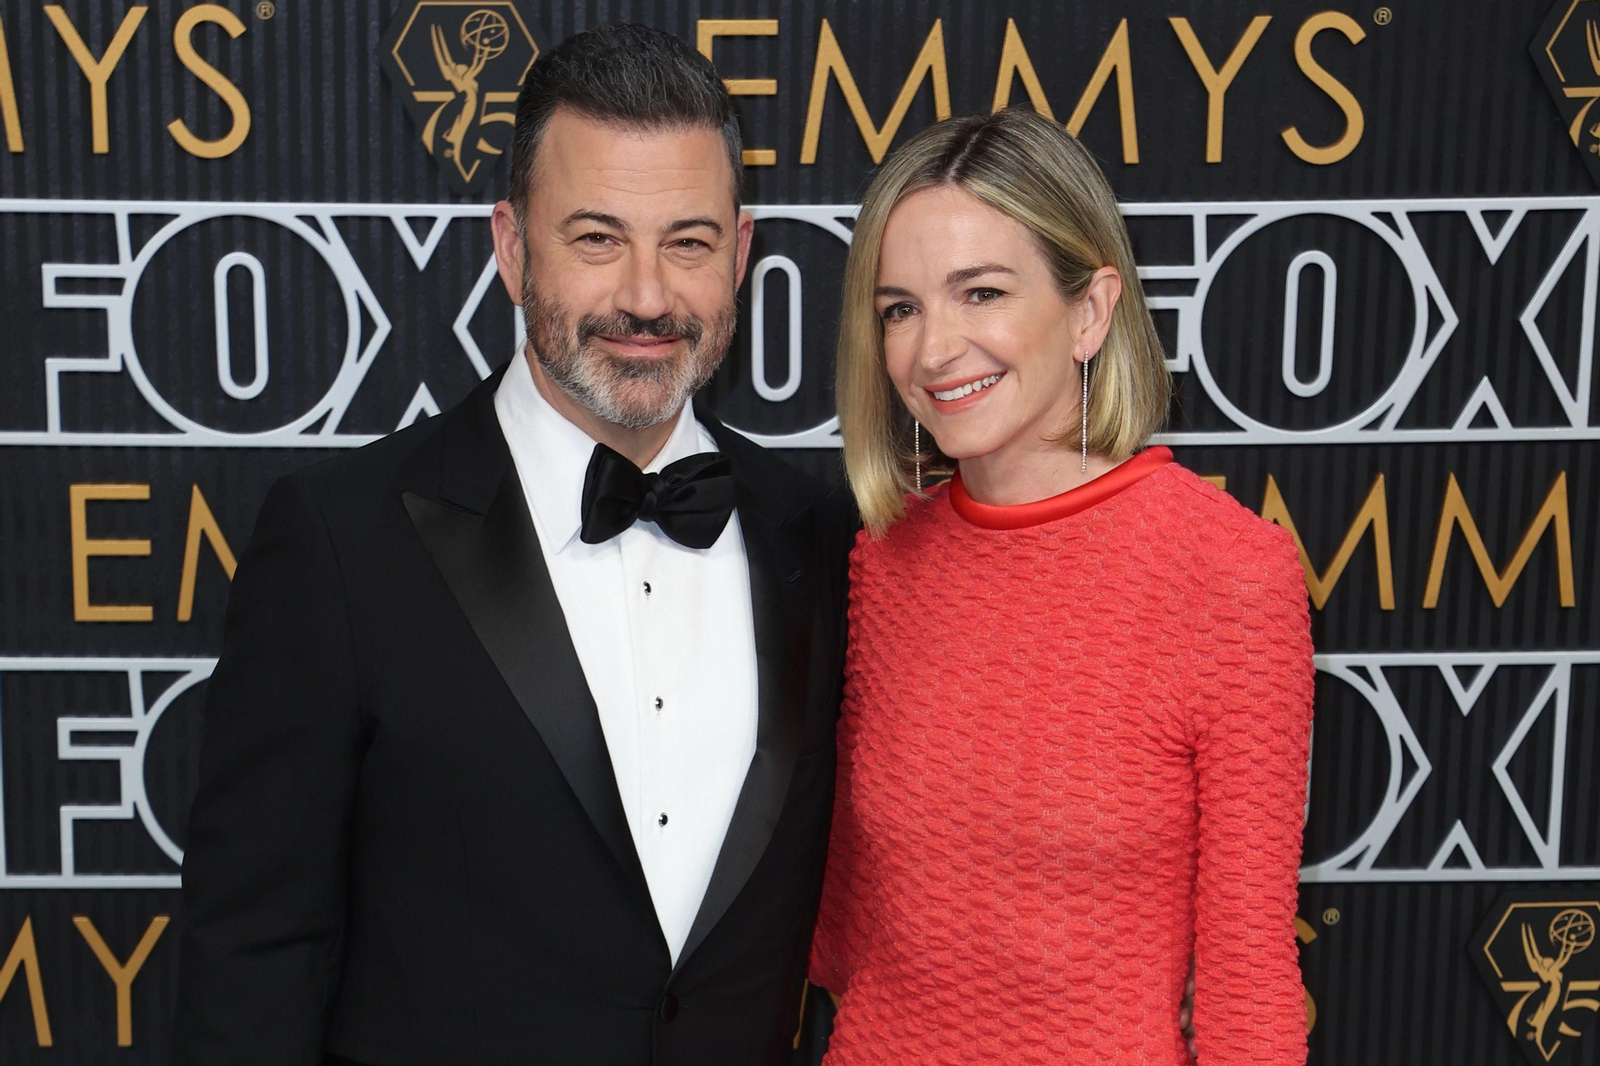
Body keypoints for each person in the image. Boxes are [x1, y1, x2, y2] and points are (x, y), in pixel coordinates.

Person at [174, 24, 852, 1065]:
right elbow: (254, 958)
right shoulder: (340, 538)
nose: (646, 295)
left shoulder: (819, 535)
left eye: (688, 241)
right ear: (510, 246)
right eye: (595, 238)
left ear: (742, 251)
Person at [810, 107, 1316, 1064]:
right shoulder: (883, 561)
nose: (933, 350)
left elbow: (1249, 990)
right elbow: (844, 927)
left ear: (1090, 311)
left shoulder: (1228, 576)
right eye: (901, 308)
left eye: (982, 292)